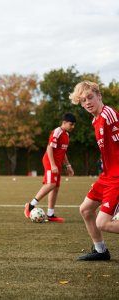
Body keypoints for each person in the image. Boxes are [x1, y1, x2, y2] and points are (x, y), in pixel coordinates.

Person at [69, 80, 119, 261]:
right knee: (85, 209)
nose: (87, 102)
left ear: (99, 96)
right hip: (107, 176)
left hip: (117, 178)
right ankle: (100, 251)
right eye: (83, 100)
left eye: (90, 97)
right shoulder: (95, 120)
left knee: (103, 222)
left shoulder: (109, 115)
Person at [24, 113, 76, 222]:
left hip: (58, 163)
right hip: (50, 161)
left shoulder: (67, 135)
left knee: (55, 187)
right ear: (64, 122)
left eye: (74, 125)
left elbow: (63, 151)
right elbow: (49, 148)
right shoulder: (57, 132)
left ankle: (50, 214)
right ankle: (30, 206)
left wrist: (68, 165)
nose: (73, 127)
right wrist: (52, 165)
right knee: (51, 184)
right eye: (71, 124)